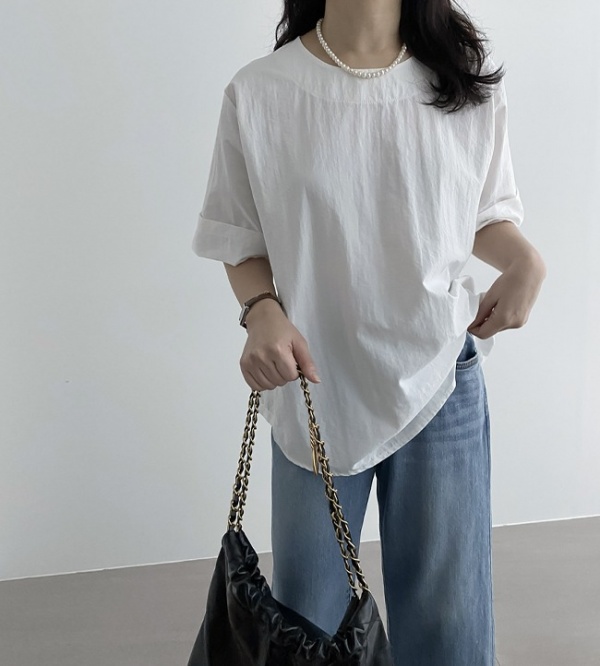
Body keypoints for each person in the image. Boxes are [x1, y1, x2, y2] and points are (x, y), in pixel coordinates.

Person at [191, 1, 546, 664]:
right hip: (312, 387)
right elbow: (238, 235)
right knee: (309, 625)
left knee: (449, 629)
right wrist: (262, 311)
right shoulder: (261, 92)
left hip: (441, 379)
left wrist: (526, 260)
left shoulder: (460, 81)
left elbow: (481, 211)